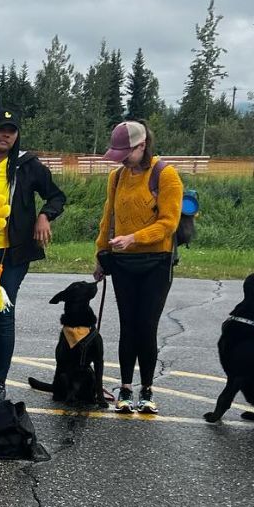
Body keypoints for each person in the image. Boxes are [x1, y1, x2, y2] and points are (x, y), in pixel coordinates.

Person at [0, 109, 67, 408]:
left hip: (11, 256)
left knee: (2, 316)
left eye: (12, 130)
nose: (6, 135)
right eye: (1, 129)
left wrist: (44, 215)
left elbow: (57, 196)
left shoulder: (27, 166)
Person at [93, 119, 182, 415]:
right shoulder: (117, 177)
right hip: (123, 262)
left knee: (147, 326)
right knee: (127, 326)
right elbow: (108, 218)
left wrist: (135, 238)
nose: (120, 160)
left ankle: (147, 389)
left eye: (125, 153)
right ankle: (126, 388)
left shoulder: (165, 175)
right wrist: (100, 254)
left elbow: (169, 223)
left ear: (142, 146)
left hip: (156, 262)